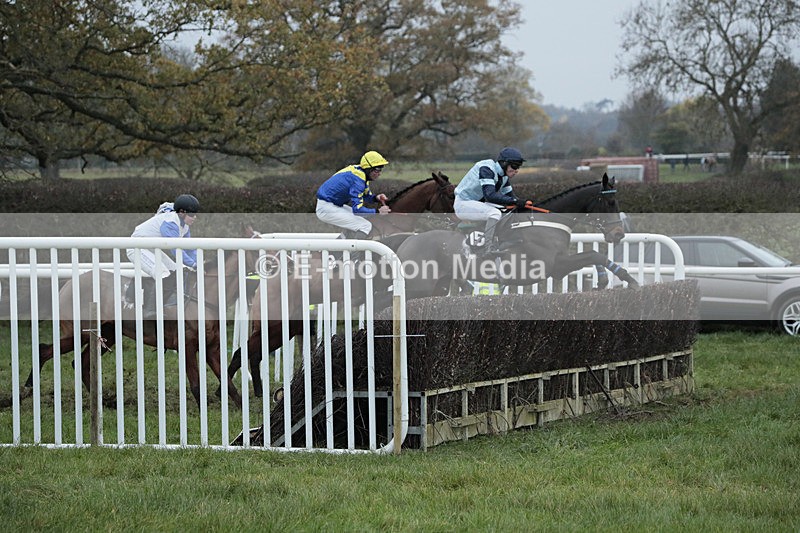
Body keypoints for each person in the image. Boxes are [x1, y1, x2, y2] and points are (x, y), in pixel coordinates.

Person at [126, 194, 200, 310]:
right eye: (191, 214)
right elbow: (176, 249)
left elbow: (189, 248)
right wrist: (193, 264)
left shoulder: (185, 227)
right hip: (136, 248)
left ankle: (165, 304)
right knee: (163, 273)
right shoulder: (170, 223)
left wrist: (198, 263)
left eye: (196, 214)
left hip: (150, 248)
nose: (195, 217)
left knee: (177, 270)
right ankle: (150, 310)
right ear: (181, 213)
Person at [454, 147, 530, 255]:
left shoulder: (503, 177)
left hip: (476, 204)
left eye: (518, 167)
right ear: (504, 163)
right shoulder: (486, 169)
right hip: (463, 204)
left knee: (507, 210)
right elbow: (490, 195)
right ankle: (488, 249)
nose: (516, 170)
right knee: (494, 213)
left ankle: (506, 239)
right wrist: (514, 201)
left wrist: (522, 203)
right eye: (514, 166)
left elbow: (511, 197)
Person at [315, 150, 392, 240]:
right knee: (365, 226)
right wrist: (378, 212)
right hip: (326, 209)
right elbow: (357, 210)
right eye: (377, 170)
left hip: (331, 205)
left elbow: (365, 196)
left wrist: (376, 198)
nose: (379, 173)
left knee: (359, 223)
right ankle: (354, 254)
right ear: (368, 168)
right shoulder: (358, 180)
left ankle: (337, 250)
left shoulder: (360, 173)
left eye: (381, 169)